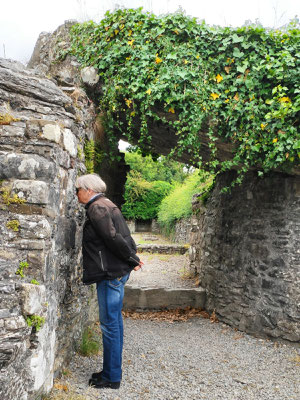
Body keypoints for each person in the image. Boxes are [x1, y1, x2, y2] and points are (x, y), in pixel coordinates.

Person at [75, 173, 143, 389]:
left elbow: (114, 238)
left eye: (77, 189)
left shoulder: (98, 208)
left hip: (110, 274)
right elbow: (125, 236)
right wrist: (132, 258)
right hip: (116, 272)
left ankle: (112, 377)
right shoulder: (107, 204)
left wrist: (132, 258)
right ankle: (111, 371)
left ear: (88, 190)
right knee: (115, 323)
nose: (76, 193)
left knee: (109, 325)